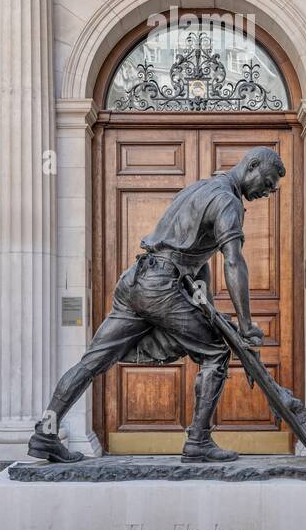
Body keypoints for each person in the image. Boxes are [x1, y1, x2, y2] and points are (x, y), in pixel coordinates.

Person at [28, 145, 286, 464]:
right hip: (162, 286)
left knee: (91, 362)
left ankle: (45, 434)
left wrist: (202, 299)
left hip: (136, 279)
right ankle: (199, 442)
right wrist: (246, 324)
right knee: (216, 352)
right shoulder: (228, 202)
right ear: (252, 166)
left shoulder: (200, 188)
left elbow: (194, 253)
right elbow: (233, 261)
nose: (270, 190)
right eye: (269, 181)